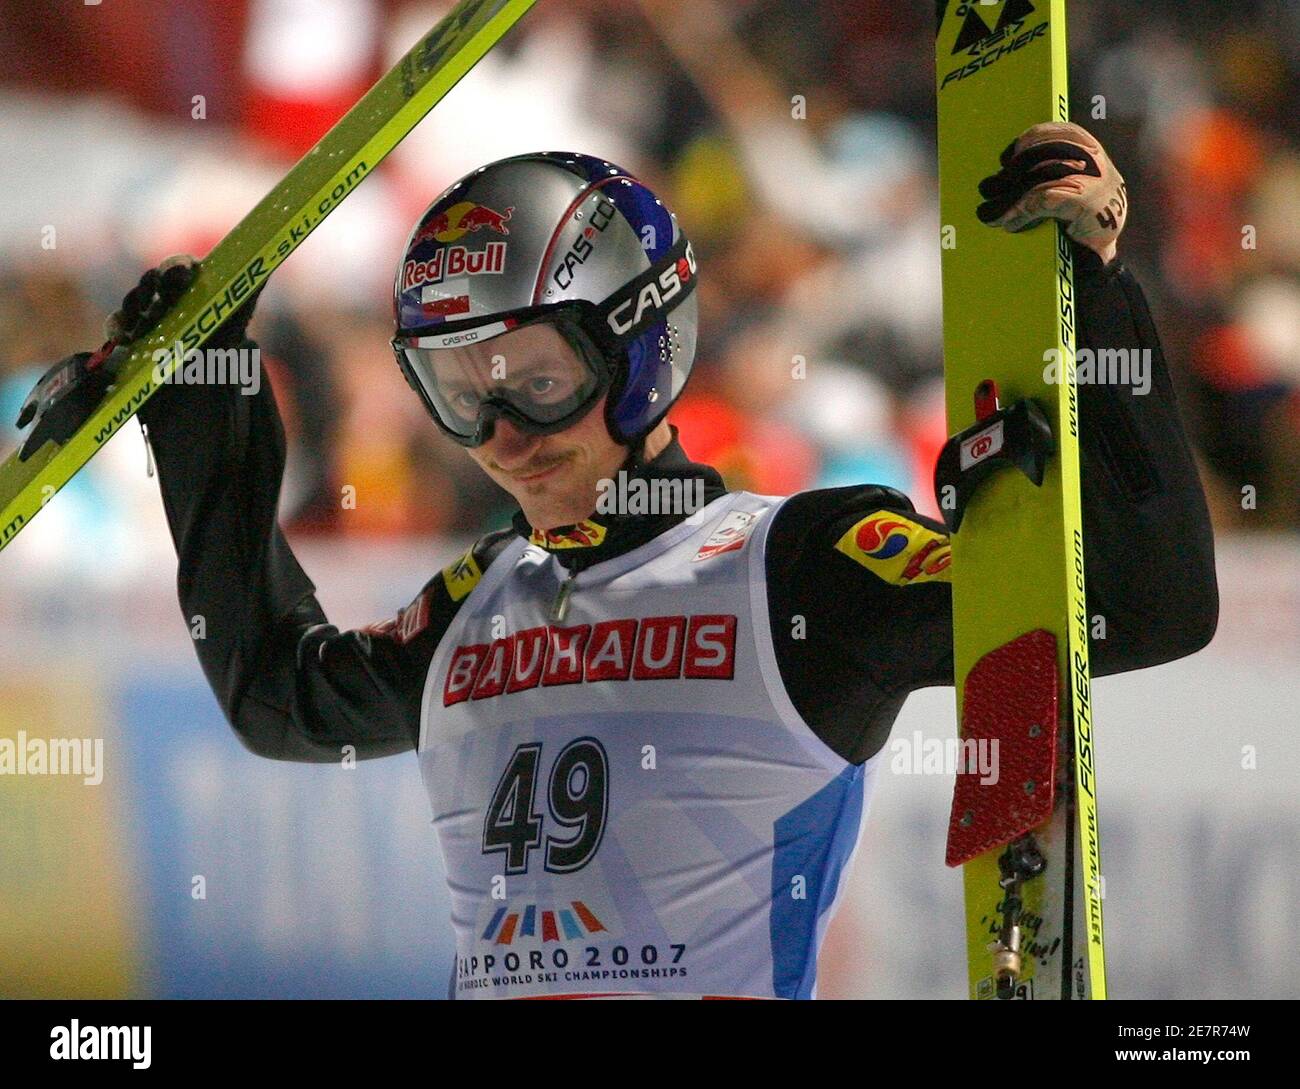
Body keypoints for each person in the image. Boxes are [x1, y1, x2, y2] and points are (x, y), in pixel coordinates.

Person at [18, 131, 1218, 1000]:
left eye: (539, 378)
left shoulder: (796, 565)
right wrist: (205, 407)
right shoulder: (479, 600)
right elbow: (283, 698)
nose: (506, 438)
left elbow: (1147, 608)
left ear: (643, 347)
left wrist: (1098, 294)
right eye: (457, 392)